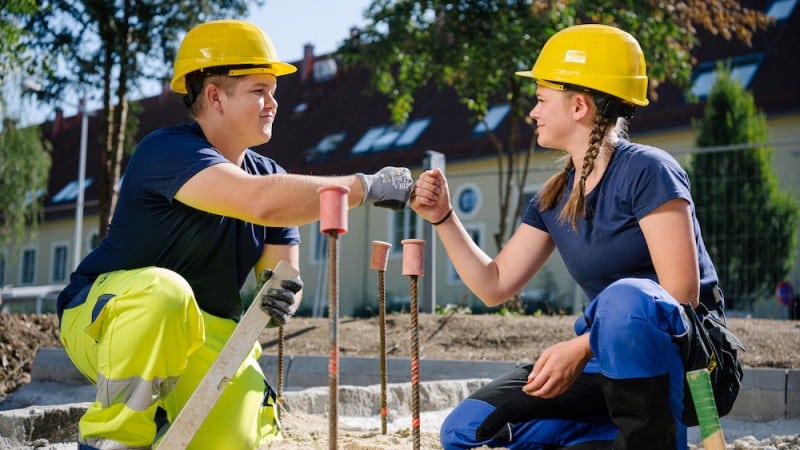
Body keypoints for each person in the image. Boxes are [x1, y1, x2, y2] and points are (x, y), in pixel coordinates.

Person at [55, 19, 413, 450]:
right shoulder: (167, 150)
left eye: (273, 92)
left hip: (206, 333)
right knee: (164, 294)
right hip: (107, 316)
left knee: (240, 440)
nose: (272, 103)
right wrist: (366, 186)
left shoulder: (273, 178)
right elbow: (257, 201)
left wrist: (284, 296)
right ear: (214, 96)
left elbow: (282, 274)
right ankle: (114, 439)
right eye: (258, 90)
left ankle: (166, 415)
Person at [411, 24, 724, 450]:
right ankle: (612, 436)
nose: (532, 113)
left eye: (540, 100)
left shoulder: (650, 171)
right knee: (466, 430)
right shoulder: (554, 196)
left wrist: (581, 346)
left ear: (579, 105)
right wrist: (443, 217)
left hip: (686, 363)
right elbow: (494, 284)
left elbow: (680, 296)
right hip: (602, 366)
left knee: (625, 297)